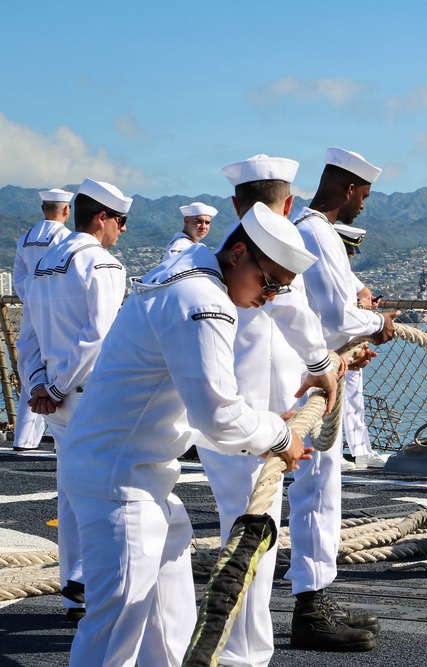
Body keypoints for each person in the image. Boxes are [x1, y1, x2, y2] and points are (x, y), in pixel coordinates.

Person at [59, 203, 314, 667]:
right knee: (114, 629)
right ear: (238, 254)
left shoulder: (186, 276)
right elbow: (217, 415)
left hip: (134, 473)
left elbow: (199, 410)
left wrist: (261, 424)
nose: (271, 295)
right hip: (120, 481)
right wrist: (278, 435)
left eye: (281, 288)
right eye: (270, 281)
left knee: (168, 622)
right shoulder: (205, 301)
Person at [196, 154, 352, 666]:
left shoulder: (234, 258)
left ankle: (248, 647)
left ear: (236, 205)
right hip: (250, 420)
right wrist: (324, 361)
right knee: (251, 537)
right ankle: (244, 655)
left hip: (267, 415)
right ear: (288, 202)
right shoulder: (271, 254)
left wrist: (320, 364)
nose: (269, 290)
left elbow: (292, 314)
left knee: (251, 534)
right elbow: (295, 314)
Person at [288, 147, 397, 651]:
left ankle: (318, 596)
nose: (363, 208)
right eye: (364, 198)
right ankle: (311, 608)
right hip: (309, 384)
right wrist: (378, 325)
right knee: (315, 491)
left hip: (316, 371)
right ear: (350, 190)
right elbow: (335, 319)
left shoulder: (303, 229)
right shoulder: (319, 233)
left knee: (316, 490)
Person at [18, 179, 132, 622]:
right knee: (111, 490)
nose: (121, 231)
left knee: (70, 491)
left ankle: (74, 593)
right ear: (101, 218)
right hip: (89, 395)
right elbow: (98, 335)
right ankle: (95, 585)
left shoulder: (44, 263)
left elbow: (29, 334)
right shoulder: (102, 265)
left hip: (56, 401)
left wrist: (40, 385)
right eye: (120, 221)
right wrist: (61, 385)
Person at [10, 188, 73, 453]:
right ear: (67, 211)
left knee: (31, 369)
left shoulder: (24, 239)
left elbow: (19, 279)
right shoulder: (68, 240)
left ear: (43, 209)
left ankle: (24, 438)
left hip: (31, 311)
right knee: (60, 366)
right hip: (57, 311)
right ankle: (64, 435)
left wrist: (33, 297)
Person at [334, 222, 381, 470]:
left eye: (353, 252)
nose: (351, 256)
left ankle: (362, 451)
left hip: (350, 341)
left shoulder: (345, 273)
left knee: (354, 396)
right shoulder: (323, 270)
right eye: (347, 250)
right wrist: (360, 307)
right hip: (328, 345)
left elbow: (364, 292)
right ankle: (330, 451)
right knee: (328, 397)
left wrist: (365, 301)